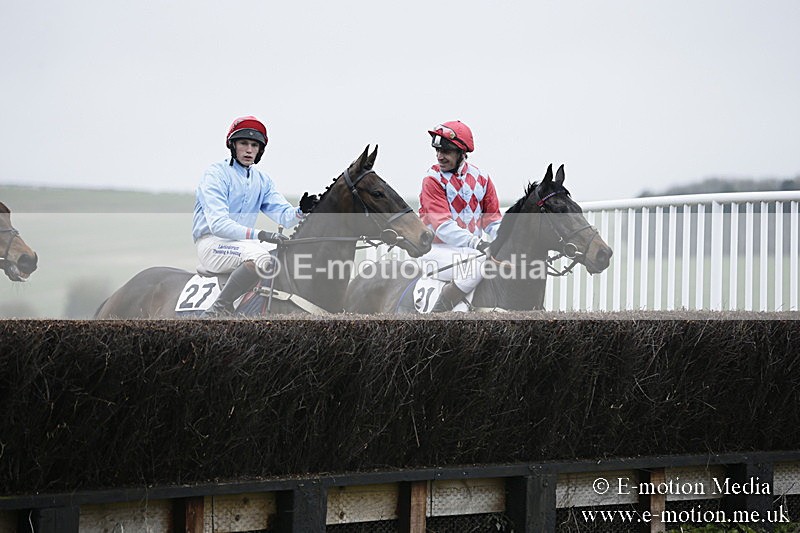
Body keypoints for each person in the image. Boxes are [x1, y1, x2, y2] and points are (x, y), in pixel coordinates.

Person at [192, 115, 317, 317]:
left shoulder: (262, 180)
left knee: (288, 253)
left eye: (254, 145)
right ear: (233, 145)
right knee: (260, 256)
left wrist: (301, 211)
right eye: (243, 143)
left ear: (260, 150)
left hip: (242, 244)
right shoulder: (215, 174)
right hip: (213, 244)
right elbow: (219, 225)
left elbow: (285, 217)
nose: (249, 150)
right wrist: (262, 235)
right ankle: (218, 308)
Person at [418, 120, 502, 312]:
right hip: (434, 250)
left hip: (469, 253)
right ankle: (439, 314)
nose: (440, 157)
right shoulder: (432, 179)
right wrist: (479, 244)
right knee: (480, 263)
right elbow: (443, 227)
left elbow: (493, 219)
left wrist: (502, 242)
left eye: (446, 151)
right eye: (437, 151)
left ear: (462, 153)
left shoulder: (482, 178)